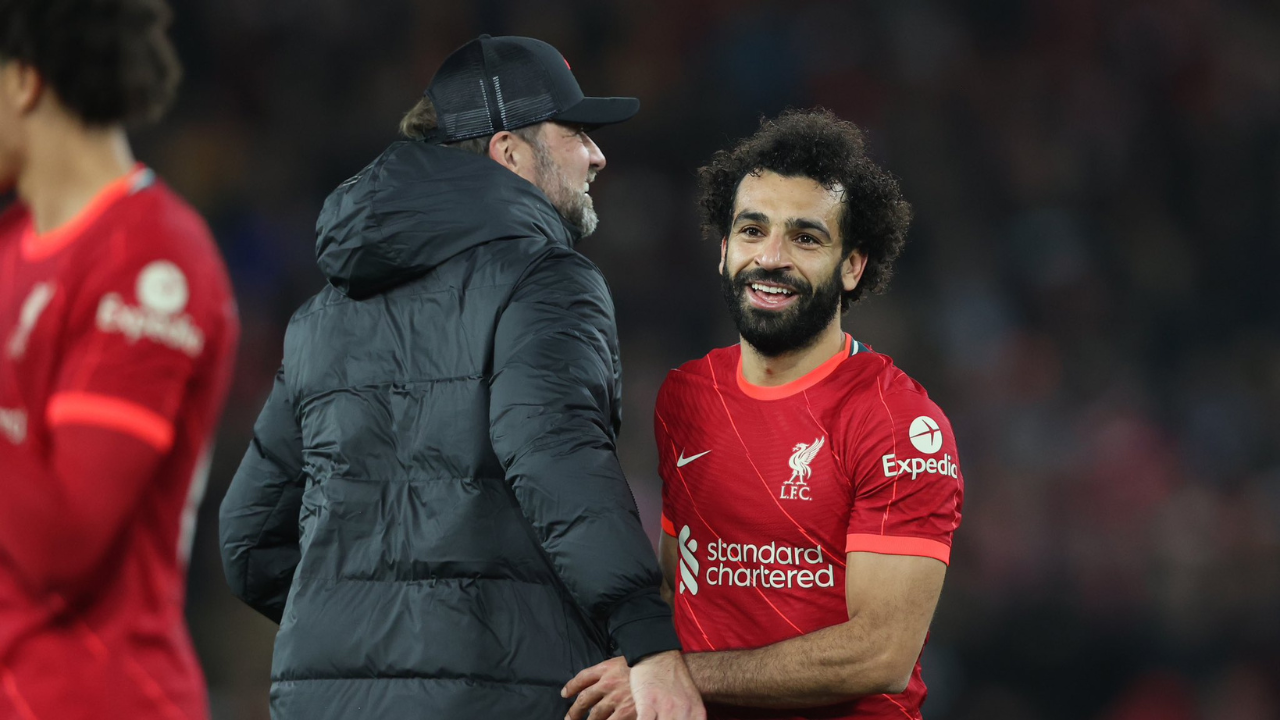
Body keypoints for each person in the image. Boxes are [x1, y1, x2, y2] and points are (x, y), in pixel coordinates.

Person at [218, 35, 703, 720]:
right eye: (576, 133)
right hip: (494, 692)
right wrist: (650, 644)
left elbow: (247, 539)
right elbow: (559, 463)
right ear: (509, 151)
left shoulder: (319, 315)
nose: (597, 155)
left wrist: (364, 621)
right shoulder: (545, 279)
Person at [563, 109, 964, 720]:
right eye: (753, 230)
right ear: (724, 250)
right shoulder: (684, 396)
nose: (770, 257)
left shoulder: (897, 421)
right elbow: (683, 592)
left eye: (805, 238)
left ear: (853, 266)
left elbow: (881, 653)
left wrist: (673, 672)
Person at [0, 1, 240, 719]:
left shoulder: (151, 259)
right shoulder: (10, 247)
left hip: (101, 700)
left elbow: (65, 543)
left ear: (24, 82)